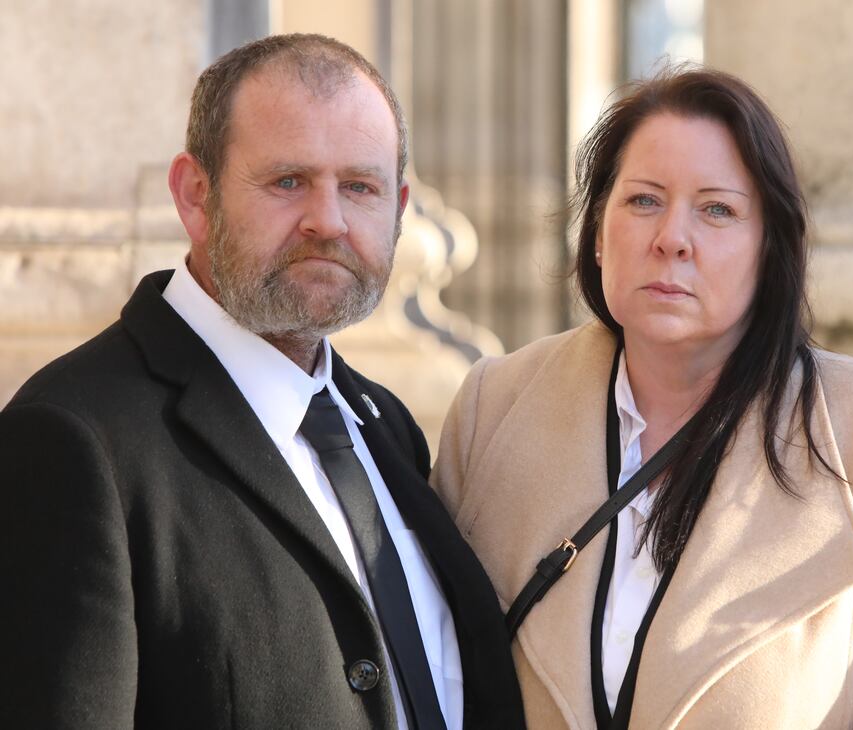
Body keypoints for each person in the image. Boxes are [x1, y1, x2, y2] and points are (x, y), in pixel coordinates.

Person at [431, 67, 853, 728]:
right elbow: (427, 672)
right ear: (597, 232)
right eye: (644, 200)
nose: (672, 238)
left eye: (717, 209)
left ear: (770, 248)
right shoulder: (495, 407)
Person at [0, 34, 524, 730]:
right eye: (288, 182)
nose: (328, 222)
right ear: (195, 194)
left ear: (399, 211)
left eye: (359, 188)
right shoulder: (71, 441)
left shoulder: (384, 426)